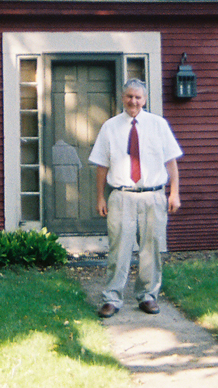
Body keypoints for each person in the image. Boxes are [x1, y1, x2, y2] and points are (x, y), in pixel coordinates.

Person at [89, 78, 182, 318]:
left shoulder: (159, 125)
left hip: (153, 196)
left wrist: (175, 193)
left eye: (138, 97)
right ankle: (112, 298)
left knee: (151, 248)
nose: (133, 101)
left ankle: (148, 295)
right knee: (118, 248)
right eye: (129, 96)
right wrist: (100, 197)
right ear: (123, 98)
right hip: (121, 197)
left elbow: (170, 161)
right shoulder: (110, 127)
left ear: (145, 99)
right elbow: (101, 165)